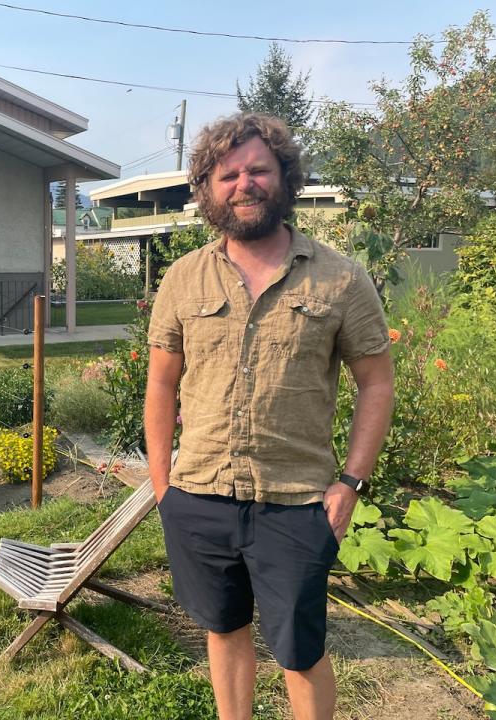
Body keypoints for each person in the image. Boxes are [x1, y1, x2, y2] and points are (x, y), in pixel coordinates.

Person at [145, 113, 394, 720]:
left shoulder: (341, 278)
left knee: (299, 652)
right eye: (227, 174)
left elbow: (377, 382)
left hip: (298, 501)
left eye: (258, 169)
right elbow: (160, 382)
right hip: (200, 494)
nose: (244, 183)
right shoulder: (183, 278)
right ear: (208, 190)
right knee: (225, 629)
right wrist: (163, 490)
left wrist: (351, 483)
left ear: (284, 177)